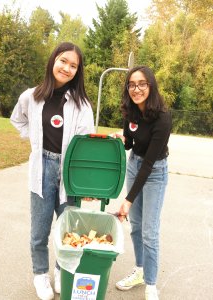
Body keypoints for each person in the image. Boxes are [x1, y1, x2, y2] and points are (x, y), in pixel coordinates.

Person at [10, 42, 95, 300]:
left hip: (69, 171)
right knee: (39, 231)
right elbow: (17, 119)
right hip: (42, 169)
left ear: (77, 71)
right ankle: (40, 274)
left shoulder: (82, 105)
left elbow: (87, 146)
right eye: (63, 61)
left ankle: (61, 270)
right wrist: (35, 142)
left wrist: (86, 184)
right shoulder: (31, 96)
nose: (67, 68)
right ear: (53, 61)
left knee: (68, 228)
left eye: (73, 65)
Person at [114, 65, 172, 300]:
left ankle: (150, 284)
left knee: (149, 231)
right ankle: (139, 271)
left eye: (141, 84)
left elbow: (148, 163)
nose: (136, 89)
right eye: (131, 84)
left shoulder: (163, 117)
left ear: (151, 85)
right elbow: (132, 145)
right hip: (133, 165)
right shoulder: (130, 111)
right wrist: (124, 138)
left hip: (154, 171)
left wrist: (127, 200)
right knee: (136, 226)